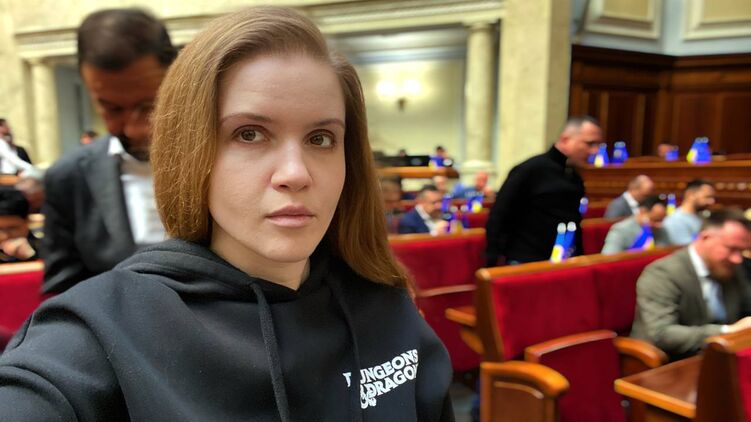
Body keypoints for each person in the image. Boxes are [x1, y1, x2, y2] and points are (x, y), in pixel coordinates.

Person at [0, 7, 453, 421]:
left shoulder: (385, 306)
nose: (295, 174)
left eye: (320, 139)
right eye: (250, 134)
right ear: (192, 150)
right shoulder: (96, 335)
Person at [40, 9, 177, 294]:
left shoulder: (225, 156)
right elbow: (62, 290)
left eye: (150, 105)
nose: (135, 130)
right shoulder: (68, 178)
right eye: (111, 108)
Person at [631, 208, 751, 360]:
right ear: (705, 237)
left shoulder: (731, 267)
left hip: (720, 356)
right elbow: (662, 334)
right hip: (669, 362)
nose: (738, 259)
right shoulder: (662, 273)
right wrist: (727, 331)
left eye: (742, 251)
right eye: (732, 249)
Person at [485, 116, 602, 265]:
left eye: (597, 145)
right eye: (589, 143)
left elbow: (573, 221)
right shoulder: (530, 170)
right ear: (565, 139)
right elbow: (499, 215)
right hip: (525, 260)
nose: (595, 151)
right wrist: (493, 258)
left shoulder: (574, 176)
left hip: (561, 259)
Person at [601, 195, 669, 255]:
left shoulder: (661, 229)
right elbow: (608, 258)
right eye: (655, 220)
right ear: (642, 212)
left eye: (662, 220)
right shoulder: (620, 230)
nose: (659, 225)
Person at [662, 179, 715, 245]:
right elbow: (685, 248)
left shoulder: (703, 217)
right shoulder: (675, 220)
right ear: (690, 194)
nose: (712, 201)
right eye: (707, 197)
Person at [0, 187, 37, 262]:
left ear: (27, 222)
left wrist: (31, 256)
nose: (4, 236)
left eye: (12, 228)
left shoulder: (46, 247)